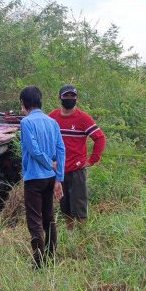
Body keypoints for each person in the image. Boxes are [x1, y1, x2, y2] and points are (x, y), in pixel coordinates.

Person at [19, 86, 65, 268]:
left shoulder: (26, 123)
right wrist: (58, 177)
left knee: (35, 219)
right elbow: (61, 149)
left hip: (34, 178)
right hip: (49, 179)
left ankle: (39, 262)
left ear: (24, 103)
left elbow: (34, 150)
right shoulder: (52, 122)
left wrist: (48, 163)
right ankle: (51, 257)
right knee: (49, 217)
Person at [49, 85, 106, 229]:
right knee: (65, 207)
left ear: (76, 98)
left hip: (77, 170)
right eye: (66, 96)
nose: (69, 99)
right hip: (59, 171)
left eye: (72, 96)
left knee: (79, 208)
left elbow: (100, 138)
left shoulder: (83, 118)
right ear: (59, 98)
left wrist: (92, 160)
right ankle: (71, 235)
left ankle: (83, 238)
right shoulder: (52, 117)